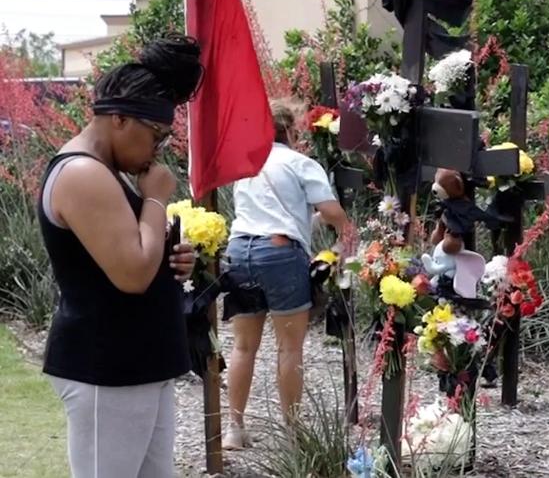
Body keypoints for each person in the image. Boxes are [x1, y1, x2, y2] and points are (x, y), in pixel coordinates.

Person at [39, 35, 204, 478]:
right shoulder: (82, 173)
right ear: (119, 119)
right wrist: (155, 200)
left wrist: (171, 257)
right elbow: (131, 273)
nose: (158, 149)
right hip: (106, 368)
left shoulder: (105, 170)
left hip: (135, 364)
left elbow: (135, 255)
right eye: (157, 135)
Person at [222, 99, 350, 449]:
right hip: (280, 253)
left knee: (244, 346)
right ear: (291, 130)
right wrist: (345, 233)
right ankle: (292, 434)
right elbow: (331, 211)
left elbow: (268, 210)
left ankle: (234, 427)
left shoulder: (248, 163)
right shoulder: (299, 162)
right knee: (289, 348)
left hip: (239, 252)